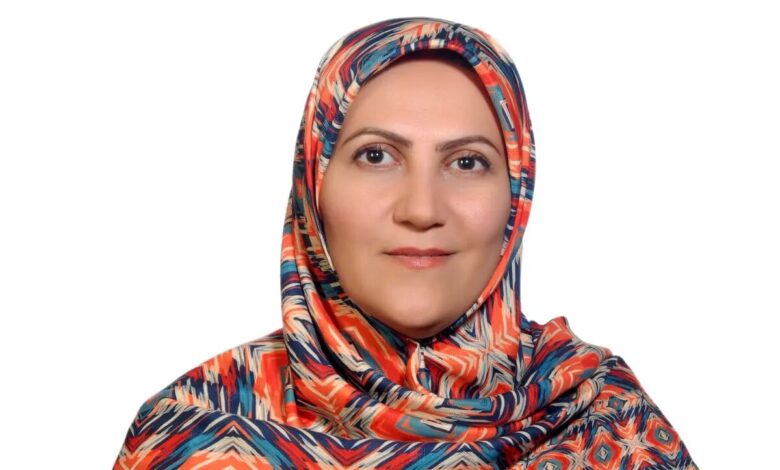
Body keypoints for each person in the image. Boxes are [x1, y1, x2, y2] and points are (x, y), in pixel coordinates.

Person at [114, 16, 697, 469]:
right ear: (314, 188)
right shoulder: (190, 435)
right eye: (376, 156)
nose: (421, 209)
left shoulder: (604, 417)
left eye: (467, 162)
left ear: (516, 197)